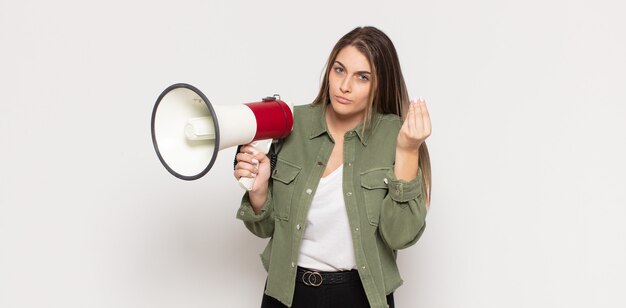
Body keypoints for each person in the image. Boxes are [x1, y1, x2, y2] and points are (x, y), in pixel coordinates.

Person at [234, 26, 432, 308]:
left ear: (380, 83)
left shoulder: (396, 135)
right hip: (287, 293)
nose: (345, 85)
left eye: (362, 77)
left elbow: (400, 235)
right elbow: (264, 230)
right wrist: (259, 192)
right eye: (339, 70)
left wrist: (408, 150)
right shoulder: (291, 124)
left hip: (360, 296)